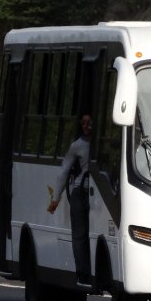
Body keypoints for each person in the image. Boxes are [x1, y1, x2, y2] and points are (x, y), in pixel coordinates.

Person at [48, 113, 92, 289]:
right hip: (80, 192)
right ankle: (83, 273)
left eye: (90, 123)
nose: (86, 126)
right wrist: (56, 199)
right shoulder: (77, 146)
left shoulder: (107, 143)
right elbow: (63, 171)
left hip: (99, 192)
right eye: (84, 123)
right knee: (80, 234)